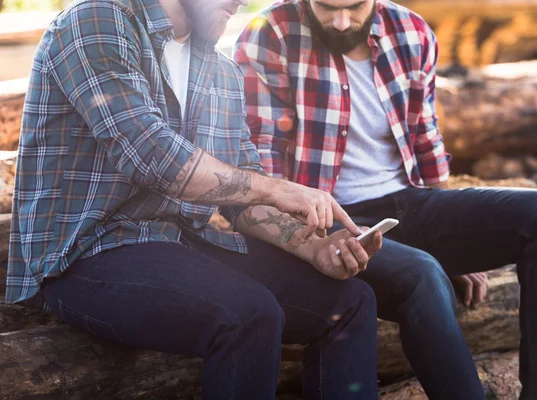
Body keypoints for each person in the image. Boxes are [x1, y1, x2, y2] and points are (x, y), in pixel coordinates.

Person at [5, 0, 385, 398]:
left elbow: (241, 197)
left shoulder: (221, 71)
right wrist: (277, 187)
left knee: (350, 302)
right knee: (247, 313)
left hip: (179, 245)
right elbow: (151, 154)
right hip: (84, 253)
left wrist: (316, 248)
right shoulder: (97, 21)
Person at [234, 0, 537, 398]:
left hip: (409, 204)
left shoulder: (412, 31)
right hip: (328, 221)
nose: (343, 21)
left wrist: (461, 246)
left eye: (356, 7)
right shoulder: (270, 34)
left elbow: (425, 141)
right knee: (422, 274)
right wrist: (308, 239)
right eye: (328, 8)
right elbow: (263, 167)